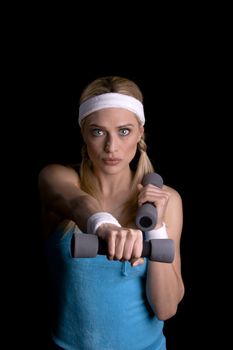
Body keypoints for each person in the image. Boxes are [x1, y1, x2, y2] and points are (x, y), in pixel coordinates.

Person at [38, 76, 185, 350]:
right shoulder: (56, 178)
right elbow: (77, 203)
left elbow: (165, 309)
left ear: (140, 132)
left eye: (124, 131)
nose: (111, 147)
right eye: (98, 131)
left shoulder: (168, 200)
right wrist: (104, 226)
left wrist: (156, 227)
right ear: (83, 132)